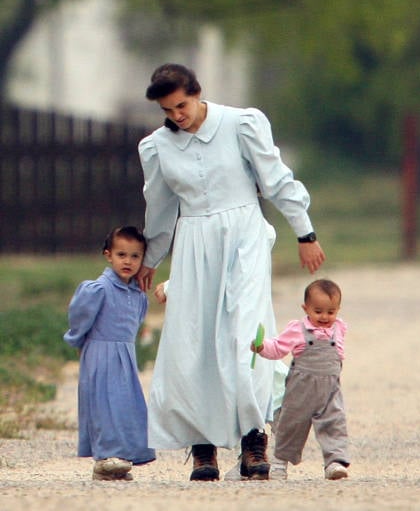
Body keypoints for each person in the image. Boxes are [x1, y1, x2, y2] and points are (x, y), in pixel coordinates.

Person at [136, 62, 325, 482]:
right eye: (167, 110)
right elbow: (162, 209)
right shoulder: (158, 147)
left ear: (196, 93)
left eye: (181, 105)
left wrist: (304, 232)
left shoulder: (240, 124)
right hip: (194, 241)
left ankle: (252, 439)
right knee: (193, 337)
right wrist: (150, 258)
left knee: (247, 333)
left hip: (244, 235)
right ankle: (202, 449)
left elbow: (275, 179)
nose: (176, 116)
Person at [64, 226, 156, 481]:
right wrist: (79, 342)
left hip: (124, 356)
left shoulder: (137, 295)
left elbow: (135, 323)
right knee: (104, 403)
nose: (128, 261)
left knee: (125, 404)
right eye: (121, 254)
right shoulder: (98, 289)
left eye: (135, 256)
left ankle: (122, 455)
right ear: (108, 255)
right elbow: (79, 317)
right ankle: (105, 456)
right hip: (100, 353)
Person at [251, 278, 350, 481]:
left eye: (331, 312)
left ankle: (334, 462)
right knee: (291, 424)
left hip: (330, 389)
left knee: (334, 422)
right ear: (306, 308)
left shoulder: (338, 328)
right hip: (301, 387)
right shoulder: (298, 329)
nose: (324, 316)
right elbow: (278, 348)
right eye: (318, 311)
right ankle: (279, 463)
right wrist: (262, 348)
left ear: (338, 310)